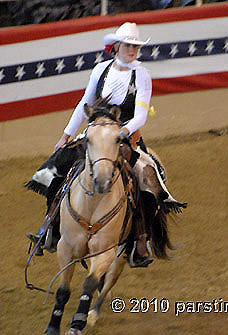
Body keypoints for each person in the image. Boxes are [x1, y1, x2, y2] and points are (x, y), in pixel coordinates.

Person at [27, 22, 186, 267]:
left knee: (149, 183)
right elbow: (85, 104)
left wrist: (120, 132)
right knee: (53, 170)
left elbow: (141, 115)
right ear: (116, 47)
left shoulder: (142, 74)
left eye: (135, 45)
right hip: (94, 136)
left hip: (126, 140)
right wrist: (66, 136)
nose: (132, 49)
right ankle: (48, 228)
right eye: (128, 45)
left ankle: (140, 240)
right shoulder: (100, 70)